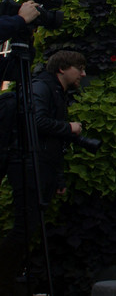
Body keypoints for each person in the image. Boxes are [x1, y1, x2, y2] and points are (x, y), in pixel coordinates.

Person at [0, 50, 85, 285]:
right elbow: (35, 121)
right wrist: (69, 128)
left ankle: (9, 277)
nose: (83, 73)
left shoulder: (57, 91)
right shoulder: (42, 87)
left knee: (29, 227)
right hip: (27, 164)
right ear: (62, 69)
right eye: (79, 68)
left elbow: (53, 144)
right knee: (24, 226)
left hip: (41, 165)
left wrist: (57, 179)